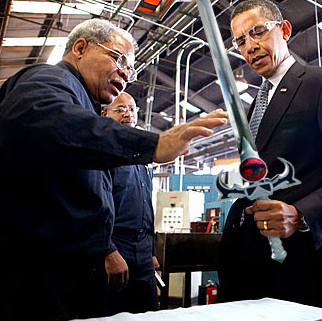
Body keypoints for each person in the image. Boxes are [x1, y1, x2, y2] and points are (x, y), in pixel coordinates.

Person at [0, 18, 228, 321]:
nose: (125, 73)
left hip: (75, 273)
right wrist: (155, 143)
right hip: (41, 276)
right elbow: (44, 118)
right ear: (80, 48)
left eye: (131, 69)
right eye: (118, 58)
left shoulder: (85, 108)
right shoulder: (48, 79)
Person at [216, 0, 322, 311]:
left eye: (258, 32)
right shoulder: (255, 105)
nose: (250, 47)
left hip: (304, 270)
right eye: (240, 41)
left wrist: (301, 214)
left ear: (285, 30)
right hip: (252, 268)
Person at [101, 92, 159, 314]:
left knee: (148, 312)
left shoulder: (141, 155)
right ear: (104, 114)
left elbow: (147, 205)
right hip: (116, 245)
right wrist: (108, 252)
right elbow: (95, 207)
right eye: (121, 109)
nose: (128, 114)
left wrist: (151, 251)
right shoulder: (102, 153)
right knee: (112, 313)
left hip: (142, 249)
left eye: (132, 109)